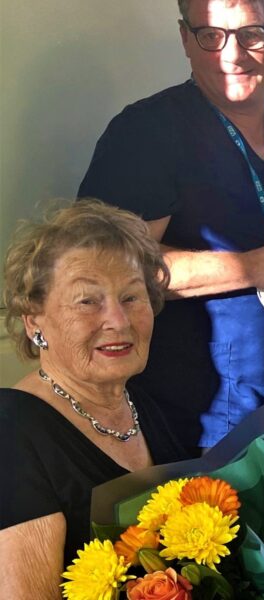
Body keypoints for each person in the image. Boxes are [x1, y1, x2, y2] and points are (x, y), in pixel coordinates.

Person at [77, 0, 264, 467]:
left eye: (251, 33)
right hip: (190, 420)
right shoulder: (145, 134)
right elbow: (109, 271)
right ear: (186, 39)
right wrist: (249, 267)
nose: (235, 53)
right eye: (212, 35)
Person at [0, 201, 189, 596]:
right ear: (34, 321)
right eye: (88, 301)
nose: (118, 321)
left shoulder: (144, 405)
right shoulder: (11, 433)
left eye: (132, 297)